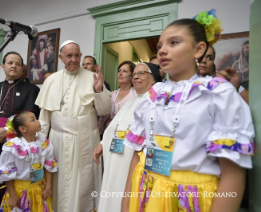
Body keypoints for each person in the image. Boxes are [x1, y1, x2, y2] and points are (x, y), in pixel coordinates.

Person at [122, 12, 254, 212]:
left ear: (198, 49)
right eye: (160, 46)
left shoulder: (217, 93)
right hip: (146, 191)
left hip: (190, 200)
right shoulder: (154, 94)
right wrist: (126, 204)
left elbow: (234, 174)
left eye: (174, 42)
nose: (163, 50)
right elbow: (136, 156)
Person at [35, 40, 111, 212]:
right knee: (59, 179)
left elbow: (105, 110)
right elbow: (45, 117)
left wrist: (99, 90)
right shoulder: (51, 80)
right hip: (58, 140)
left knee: (83, 182)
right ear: (61, 57)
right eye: (69, 56)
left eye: (77, 55)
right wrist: (39, 144)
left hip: (85, 138)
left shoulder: (92, 77)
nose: (74, 59)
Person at [0, 51, 40, 212]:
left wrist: (7, 131)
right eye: (10, 63)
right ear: (3, 66)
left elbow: (30, 117)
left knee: (15, 179)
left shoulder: (32, 90)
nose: (14, 66)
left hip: (18, 144)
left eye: (17, 64)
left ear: (22, 68)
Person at [93, 62, 162, 212]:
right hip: (114, 159)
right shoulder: (132, 101)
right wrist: (103, 144)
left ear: (154, 79)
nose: (136, 76)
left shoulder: (156, 102)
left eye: (141, 73)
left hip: (132, 162)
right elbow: (115, 127)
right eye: (135, 74)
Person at [0, 111, 57, 212]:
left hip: (39, 191)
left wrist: (48, 188)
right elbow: (7, 172)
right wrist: (12, 195)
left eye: (36, 118)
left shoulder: (44, 144)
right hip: (18, 193)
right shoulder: (13, 147)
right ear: (23, 129)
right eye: (33, 120)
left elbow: (48, 165)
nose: (38, 121)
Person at [98, 61, 137, 136]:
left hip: (126, 134)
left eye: (125, 71)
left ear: (131, 76)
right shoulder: (111, 94)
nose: (120, 73)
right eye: (119, 71)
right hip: (107, 133)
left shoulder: (135, 95)